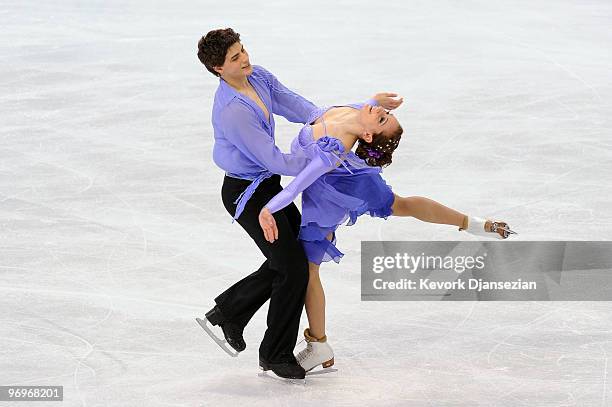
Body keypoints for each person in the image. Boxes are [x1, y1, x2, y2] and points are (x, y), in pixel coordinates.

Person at [258, 100, 516, 373]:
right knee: (400, 205)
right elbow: (364, 109)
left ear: (367, 136)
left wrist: (268, 209)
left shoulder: (333, 152)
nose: (381, 112)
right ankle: (472, 224)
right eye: (386, 114)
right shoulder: (355, 115)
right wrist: (376, 102)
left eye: (383, 119)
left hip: (336, 188)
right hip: (339, 180)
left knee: (311, 268)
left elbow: (297, 185)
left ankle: (319, 343)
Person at [196, 27, 316, 380]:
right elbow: (274, 160)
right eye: (235, 58)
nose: (244, 58)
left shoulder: (256, 75)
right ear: (219, 68)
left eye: (243, 49)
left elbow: (291, 102)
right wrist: (318, 158)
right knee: (291, 267)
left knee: (293, 260)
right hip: (246, 195)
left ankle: (230, 313)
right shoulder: (233, 110)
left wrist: (326, 120)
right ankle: (276, 354)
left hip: (268, 187)